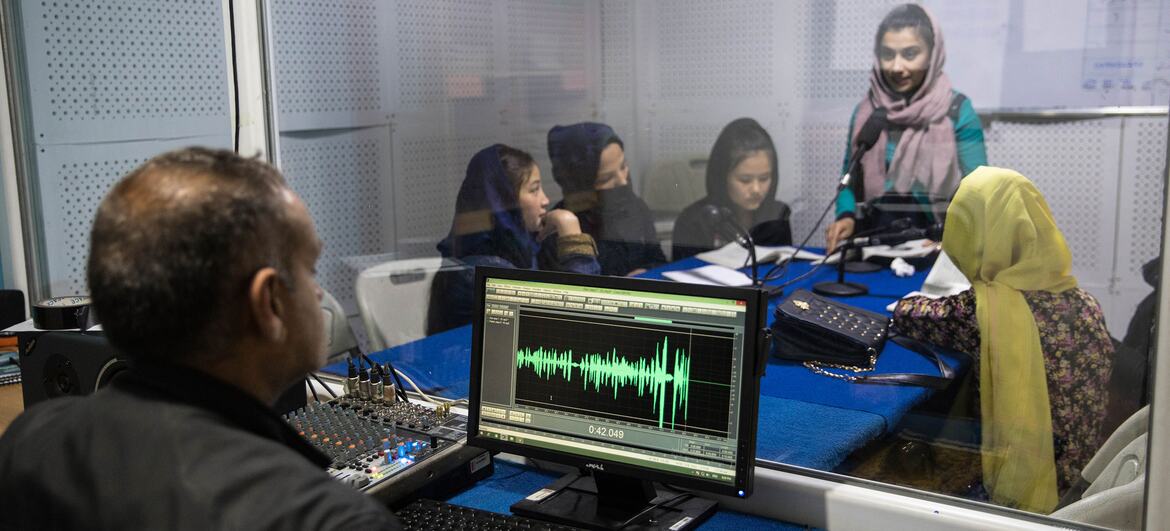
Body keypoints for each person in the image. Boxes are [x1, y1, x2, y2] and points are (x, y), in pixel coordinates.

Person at [0, 148, 401, 529]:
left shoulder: (29, 441)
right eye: (309, 269)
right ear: (269, 303)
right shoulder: (325, 518)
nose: (317, 293)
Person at [892, 166, 1113, 513]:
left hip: (1036, 495)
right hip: (1088, 480)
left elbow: (908, 314)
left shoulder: (985, 310)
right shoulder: (1083, 301)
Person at [825, 3, 987, 253]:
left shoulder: (956, 110)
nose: (897, 67)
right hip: (874, 245)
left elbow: (979, 191)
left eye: (910, 54)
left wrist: (957, 239)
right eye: (888, 54)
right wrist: (845, 215)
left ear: (932, 54)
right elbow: (849, 177)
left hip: (937, 244)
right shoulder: (868, 112)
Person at [426, 144, 600, 334]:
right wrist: (571, 231)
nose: (545, 200)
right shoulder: (482, 272)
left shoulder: (518, 249)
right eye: (534, 190)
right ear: (504, 202)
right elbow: (579, 320)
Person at [541, 122, 666, 276]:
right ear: (580, 183)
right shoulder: (559, 233)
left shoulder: (634, 207)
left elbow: (657, 258)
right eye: (606, 178)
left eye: (623, 166)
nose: (623, 181)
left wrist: (646, 271)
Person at [672, 117, 792, 261]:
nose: (756, 189)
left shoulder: (777, 217)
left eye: (764, 178)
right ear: (722, 178)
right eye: (745, 180)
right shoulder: (693, 221)